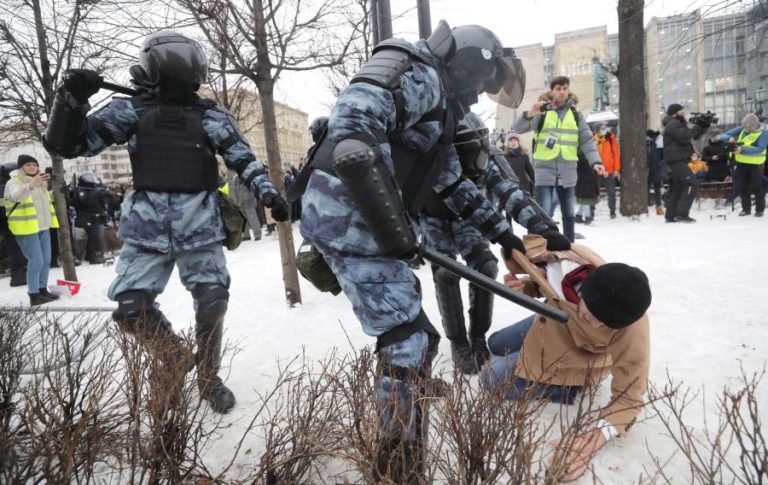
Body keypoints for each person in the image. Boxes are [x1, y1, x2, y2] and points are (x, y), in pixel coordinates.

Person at [300, 21, 569, 480]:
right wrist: (394, 231)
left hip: (358, 222)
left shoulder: (438, 107)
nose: (479, 96)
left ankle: (409, 396)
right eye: (481, 85)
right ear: (467, 66)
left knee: (416, 336)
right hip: (350, 222)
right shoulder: (418, 72)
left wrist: (504, 235)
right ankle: (399, 464)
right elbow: (352, 138)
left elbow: (452, 182)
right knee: (407, 340)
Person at [43, 31, 290, 413]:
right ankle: (175, 356)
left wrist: (268, 193)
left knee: (213, 301)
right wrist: (71, 99)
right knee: (131, 308)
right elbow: (68, 145)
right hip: (147, 229)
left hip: (199, 226)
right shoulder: (131, 111)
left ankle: (208, 377)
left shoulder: (211, 116)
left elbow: (243, 158)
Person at [481, 235, 651, 482]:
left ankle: (568, 387)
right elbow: (547, 281)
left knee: (490, 379)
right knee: (495, 342)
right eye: (594, 314)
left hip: (576, 352)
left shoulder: (632, 325)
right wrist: (526, 286)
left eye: (605, 323)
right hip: (553, 317)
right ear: (585, 290)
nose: (598, 324)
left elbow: (630, 395)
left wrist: (596, 437)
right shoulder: (574, 267)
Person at [421, 112, 563, 375]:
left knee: (486, 267)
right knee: (446, 272)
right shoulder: (430, 154)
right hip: (434, 218)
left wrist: (543, 227)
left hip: (472, 217)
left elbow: (510, 191)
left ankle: (478, 335)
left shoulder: (488, 157)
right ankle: (458, 340)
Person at [514, 76, 605, 242]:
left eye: (565, 88)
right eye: (558, 89)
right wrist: (530, 113)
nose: (562, 92)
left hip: (568, 171)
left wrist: (596, 161)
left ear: (568, 90)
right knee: (544, 213)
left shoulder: (575, 114)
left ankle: (569, 244)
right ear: (552, 91)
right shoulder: (543, 111)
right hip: (544, 171)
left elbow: (587, 140)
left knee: (569, 213)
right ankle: (543, 245)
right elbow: (518, 129)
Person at [3, 155, 61, 305]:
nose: (32, 167)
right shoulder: (14, 182)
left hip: (43, 226)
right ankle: (34, 294)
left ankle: (42, 289)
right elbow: (16, 196)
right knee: (36, 261)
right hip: (26, 227)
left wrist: (59, 191)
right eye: (28, 165)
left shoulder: (40, 182)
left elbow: (44, 200)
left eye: (35, 165)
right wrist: (32, 184)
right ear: (21, 167)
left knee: (46, 260)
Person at [662, 103, 707, 223]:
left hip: (678, 159)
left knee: (678, 186)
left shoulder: (677, 123)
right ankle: (682, 214)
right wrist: (698, 125)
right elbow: (685, 138)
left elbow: (695, 136)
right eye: (681, 111)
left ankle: (671, 216)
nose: (683, 113)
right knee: (692, 183)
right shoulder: (673, 123)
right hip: (676, 160)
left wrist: (704, 124)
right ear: (675, 113)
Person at [718, 113, 767, 217]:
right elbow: (724, 135)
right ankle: (746, 209)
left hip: (755, 164)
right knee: (742, 186)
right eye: (746, 126)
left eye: (750, 126)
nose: (747, 128)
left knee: (756, 186)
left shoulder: (764, 132)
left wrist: (742, 150)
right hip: (740, 163)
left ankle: (760, 210)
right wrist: (729, 138)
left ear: (756, 124)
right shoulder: (743, 128)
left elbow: (760, 148)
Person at [69, 171, 111, 264]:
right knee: (93, 238)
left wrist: (106, 193)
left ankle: (91, 256)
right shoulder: (79, 191)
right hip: (85, 217)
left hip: (96, 218)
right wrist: (72, 194)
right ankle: (92, 257)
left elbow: (107, 199)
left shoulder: (98, 190)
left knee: (95, 238)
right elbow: (74, 203)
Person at [1, 161, 27, 287]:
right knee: (17, 251)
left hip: (7, 225)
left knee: (15, 251)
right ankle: (18, 277)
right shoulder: (7, 186)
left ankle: (20, 275)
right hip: (11, 224)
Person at [594, 124, 620, 218]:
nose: (605, 130)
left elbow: (616, 154)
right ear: (597, 130)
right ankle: (591, 212)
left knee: (611, 193)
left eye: (605, 128)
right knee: (594, 192)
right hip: (597, 170)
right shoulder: (593, 140)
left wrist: (616, 169)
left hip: (609, 170)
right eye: (602, 128)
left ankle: (612, 212)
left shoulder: (611, 138)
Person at [575, 151, 599, 224]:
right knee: (586, 201)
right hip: (587, 182)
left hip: (582, 182)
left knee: (584, 201)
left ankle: (578, 216)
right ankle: (587, 217)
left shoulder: (579, 158)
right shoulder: (588, 158)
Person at [646, 130, 666, 215]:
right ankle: (645, 206)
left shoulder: (659, 143)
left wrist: (659, 164)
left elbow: (665, 156)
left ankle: (659, 207)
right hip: (647, 170)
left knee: (657, 188)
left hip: (656, 169)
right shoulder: (647, 144)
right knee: (646, 188)